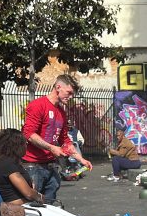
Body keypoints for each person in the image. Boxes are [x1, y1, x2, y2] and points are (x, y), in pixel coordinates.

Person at [0, 128, 127, 216]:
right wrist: (38, 195)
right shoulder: (7, 165)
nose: (26, 145)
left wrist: (33, 192)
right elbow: (28, 193)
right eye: (24, 143)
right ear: (15, 145)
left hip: (29, 207)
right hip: (23, 212)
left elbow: (27, 190)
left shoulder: (13, 163)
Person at [21, 74, 93, 202]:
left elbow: (65, 141)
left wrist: (81, 159)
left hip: (50, 165)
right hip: (32, 165)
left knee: (50, 206)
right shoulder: (38, 105)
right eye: (69, 92)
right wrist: (51, 147)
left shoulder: (61, 112)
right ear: (58, 87)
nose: (71, 97)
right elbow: (29, 133)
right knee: (33, 206)